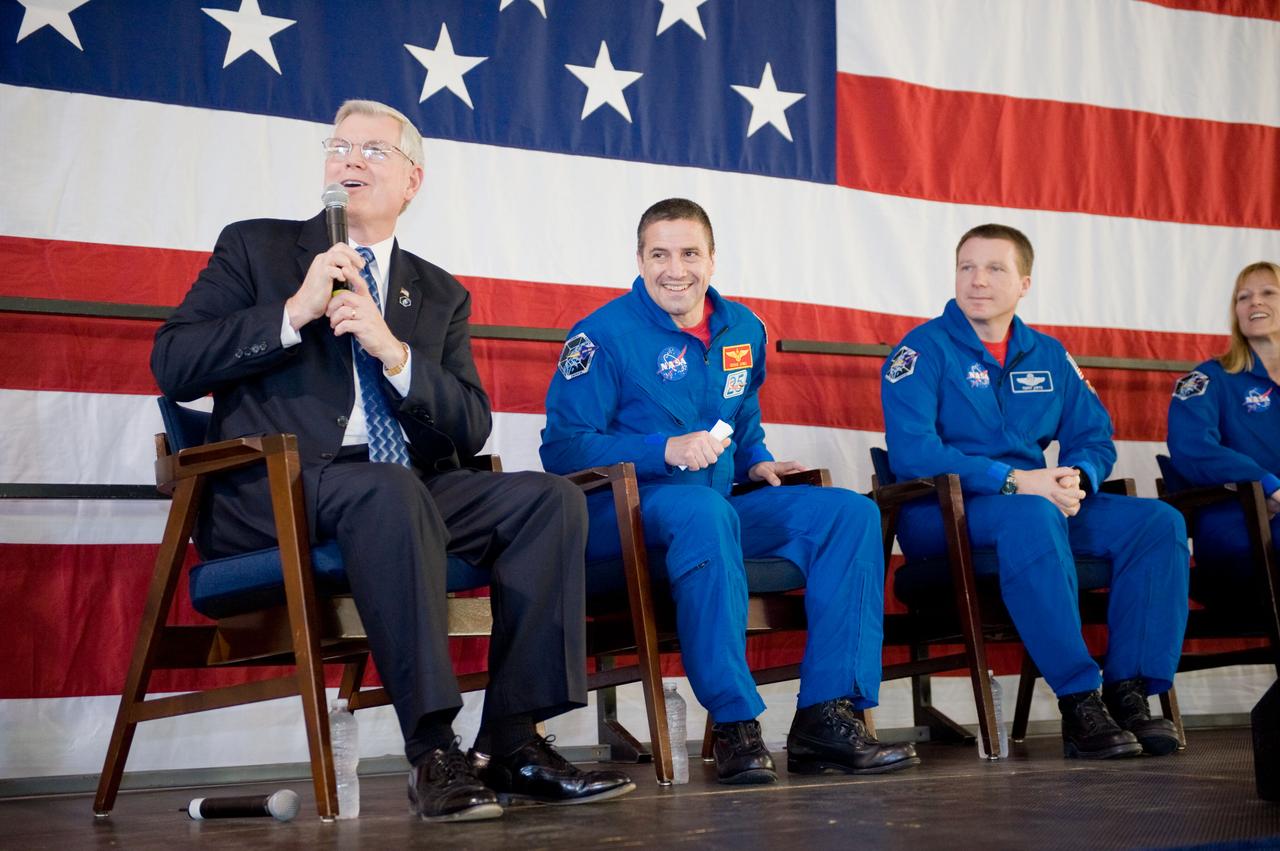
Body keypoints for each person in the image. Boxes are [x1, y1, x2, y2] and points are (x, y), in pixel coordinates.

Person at [152, 100, 633, 822]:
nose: (349, 160)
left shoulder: (438, 293)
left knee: (550, 500)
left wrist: (396, 354)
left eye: (373, 151)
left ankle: (512, 738)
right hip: (281, 490)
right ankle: (433, 749)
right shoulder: (257, 248)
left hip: (398, 488)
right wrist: (293, 309)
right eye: (339, 146)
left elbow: (471, 424)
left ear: (413, 180)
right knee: (389, 491)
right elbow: (174, 362)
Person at [540, 197, 919, 785]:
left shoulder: (745, 328)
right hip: (626, 512)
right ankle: (736, 720)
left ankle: (827, 715)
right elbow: (562, 449)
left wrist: (760, 461)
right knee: (703, 511)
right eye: (659, 254)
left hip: (716, 504)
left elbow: (741, 417)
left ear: (713, 259)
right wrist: (661, 449)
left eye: (690, 253)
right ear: (639, 260)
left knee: (849, 515)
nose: (676, 269)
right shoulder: (600, 335)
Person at [880, 223, 1189, 759]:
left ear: (1024, 283)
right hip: (945, 512)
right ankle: (1079, 700)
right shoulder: (922, 350)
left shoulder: (1047, 353)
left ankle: (1130, 691)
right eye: (967, 267)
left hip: (1036, 504)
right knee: (1031, 516)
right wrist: (1017, 481)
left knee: (1159, 523)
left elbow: (1093, 435)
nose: (977, 280)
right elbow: (913, 454)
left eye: (994, 268)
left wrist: (1077, 478)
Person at [1167, 261, 1280, 606]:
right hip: (1238, 524)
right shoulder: (1207, 379)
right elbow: (1191, 448)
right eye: (1243, 297)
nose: (1254, 302)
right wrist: (1268, 484)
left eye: (1268, 293)